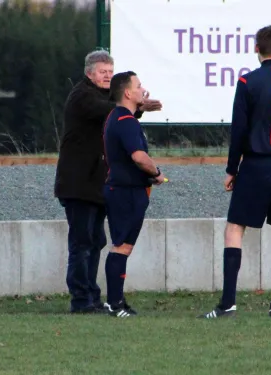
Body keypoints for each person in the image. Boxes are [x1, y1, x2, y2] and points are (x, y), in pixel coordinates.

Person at [198, 25, 271, 319]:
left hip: (256, 165)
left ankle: (228, 303)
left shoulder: (247, 81)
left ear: (256, 49)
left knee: (234, 228)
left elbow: (239, 130)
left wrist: (231, 169)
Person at [54, 51, 162, 314]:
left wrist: (135, 108)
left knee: (96, 241)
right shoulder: (82, 96)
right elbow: (109, 111)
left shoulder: (107, 101)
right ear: (89, 73)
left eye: (111, 72)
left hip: (97, 184)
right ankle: (81, 299)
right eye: (103, 71)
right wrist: (137, 105)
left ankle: (92, 296)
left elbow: (120, 118)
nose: (107, 76)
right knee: (82, 243)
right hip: (79, 184)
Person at [102, 71, 167, 318]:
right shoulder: (126, 122)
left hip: (124, 189)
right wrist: (157, 172)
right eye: (138, 86)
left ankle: (117, 301)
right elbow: (139, 157)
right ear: (127, 93)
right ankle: (114, 303)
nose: (143, 90)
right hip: (125, 191)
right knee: (121, 247)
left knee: (123, 247)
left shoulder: (118, 117)